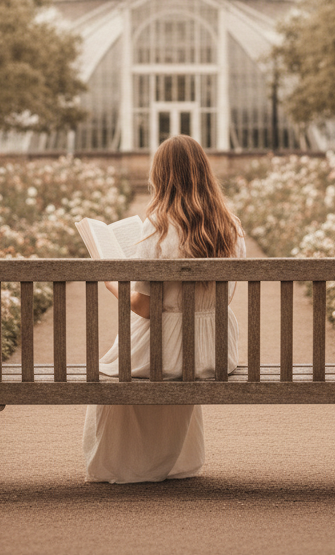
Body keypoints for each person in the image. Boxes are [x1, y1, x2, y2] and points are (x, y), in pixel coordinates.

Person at [82, 135, 245, 484]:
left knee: (116, 365)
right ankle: (173, 460)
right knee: (141, 356)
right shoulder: (229, 227)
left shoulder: (156, 227)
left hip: (165, 353)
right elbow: (225, 298)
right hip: (214, 353)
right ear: (204, 172)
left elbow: (144, 307)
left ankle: (127, 464)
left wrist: (113, 280)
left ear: (161, 176)